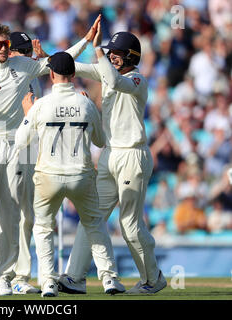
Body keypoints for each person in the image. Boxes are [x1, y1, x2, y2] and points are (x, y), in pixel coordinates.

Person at [0, 21, 100, 296]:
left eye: (6, 44)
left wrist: (87, 39)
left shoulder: (23, 67)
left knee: (11, 214)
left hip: (15, 145)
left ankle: (5, 277)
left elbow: (61, 62)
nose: (3, 49)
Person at [58, 21, 167, 294]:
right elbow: (68, 67)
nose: (111, 56)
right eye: (110, 53)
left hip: (133, 155)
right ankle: (75, 278)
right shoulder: (106, 71)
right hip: (109, 155)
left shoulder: (137, 79)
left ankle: (153, 279)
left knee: (129, 225)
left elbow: (116, 81)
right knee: (91, 217)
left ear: (131, 56)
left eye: (116, 53)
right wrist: (57, 56)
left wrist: (97, 51)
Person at [15, 51, 125, 297]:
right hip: (81, 175)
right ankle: (109, 279)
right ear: (74, 75)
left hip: (48, 176)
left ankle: (49, 283)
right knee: (95, 224)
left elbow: (21, 141)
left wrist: (28, 114)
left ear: (51, 74)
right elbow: (100, 141)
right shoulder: (85, 103)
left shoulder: (41, 104)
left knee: (43, 228)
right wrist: (89, 110)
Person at [0, 31, 42, 295]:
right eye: (24, 52)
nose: (28, 55)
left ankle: (0, 272)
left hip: (27, 147)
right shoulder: (13, 73)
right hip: (17, 146)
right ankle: (11, 274)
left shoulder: (29, 70)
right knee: (18, 214)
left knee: (21, 213)